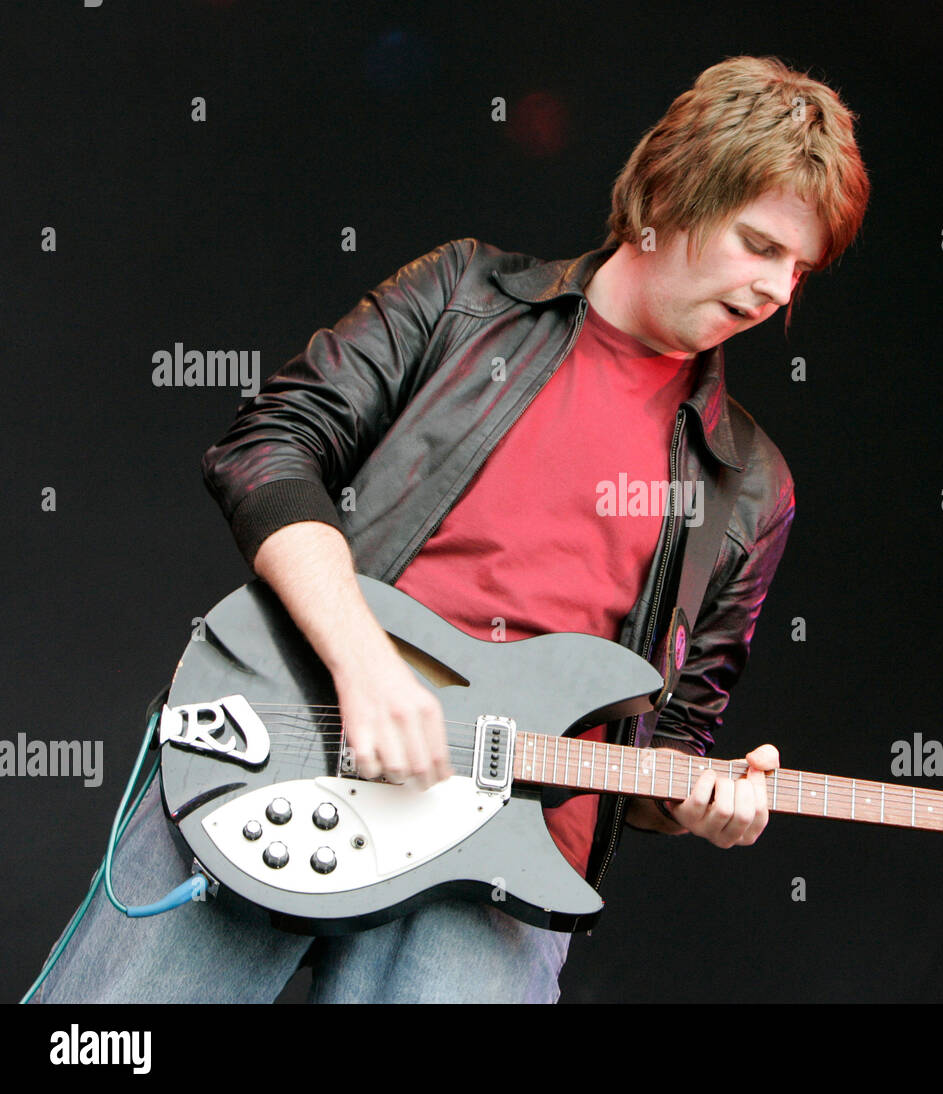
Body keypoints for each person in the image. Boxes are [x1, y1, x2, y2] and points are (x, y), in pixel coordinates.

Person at [31, 54, 870, 1003]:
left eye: (799, 268)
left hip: (505, 865)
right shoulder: (465, 296)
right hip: (286, 745)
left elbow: (668, 746)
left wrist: (702, 806)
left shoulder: (752, 486)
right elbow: (265, 446)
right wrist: (364, 665)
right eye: (759, 245)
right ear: (668, 196)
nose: (777, 291)